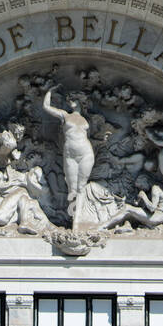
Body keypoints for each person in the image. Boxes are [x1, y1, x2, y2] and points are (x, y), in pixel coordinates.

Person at [43, 87, 95, 226]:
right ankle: (73, 219)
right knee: (72, 188)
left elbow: (90, 137)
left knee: (81, 186)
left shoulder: (86, 119)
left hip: (86, 153)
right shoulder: (65, 115)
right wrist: (50, 91)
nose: (70, 101)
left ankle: (77, 220)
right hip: (70, 155)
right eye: (69, 99)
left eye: (73, 99)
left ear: (80, 101)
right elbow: (46, 107)